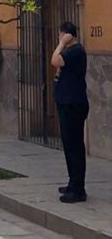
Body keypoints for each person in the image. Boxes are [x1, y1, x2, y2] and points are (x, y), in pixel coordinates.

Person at [51, 21, 89, 203]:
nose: (59, 37)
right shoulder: (70, 52)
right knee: (69, 146)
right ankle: (73, 183)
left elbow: (54, 61)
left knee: (74, 147)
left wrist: (61, 44)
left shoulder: (75, 51)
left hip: (74, 104)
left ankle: (78, 189)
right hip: (67, 103)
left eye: (60, 34)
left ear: (67, 35)